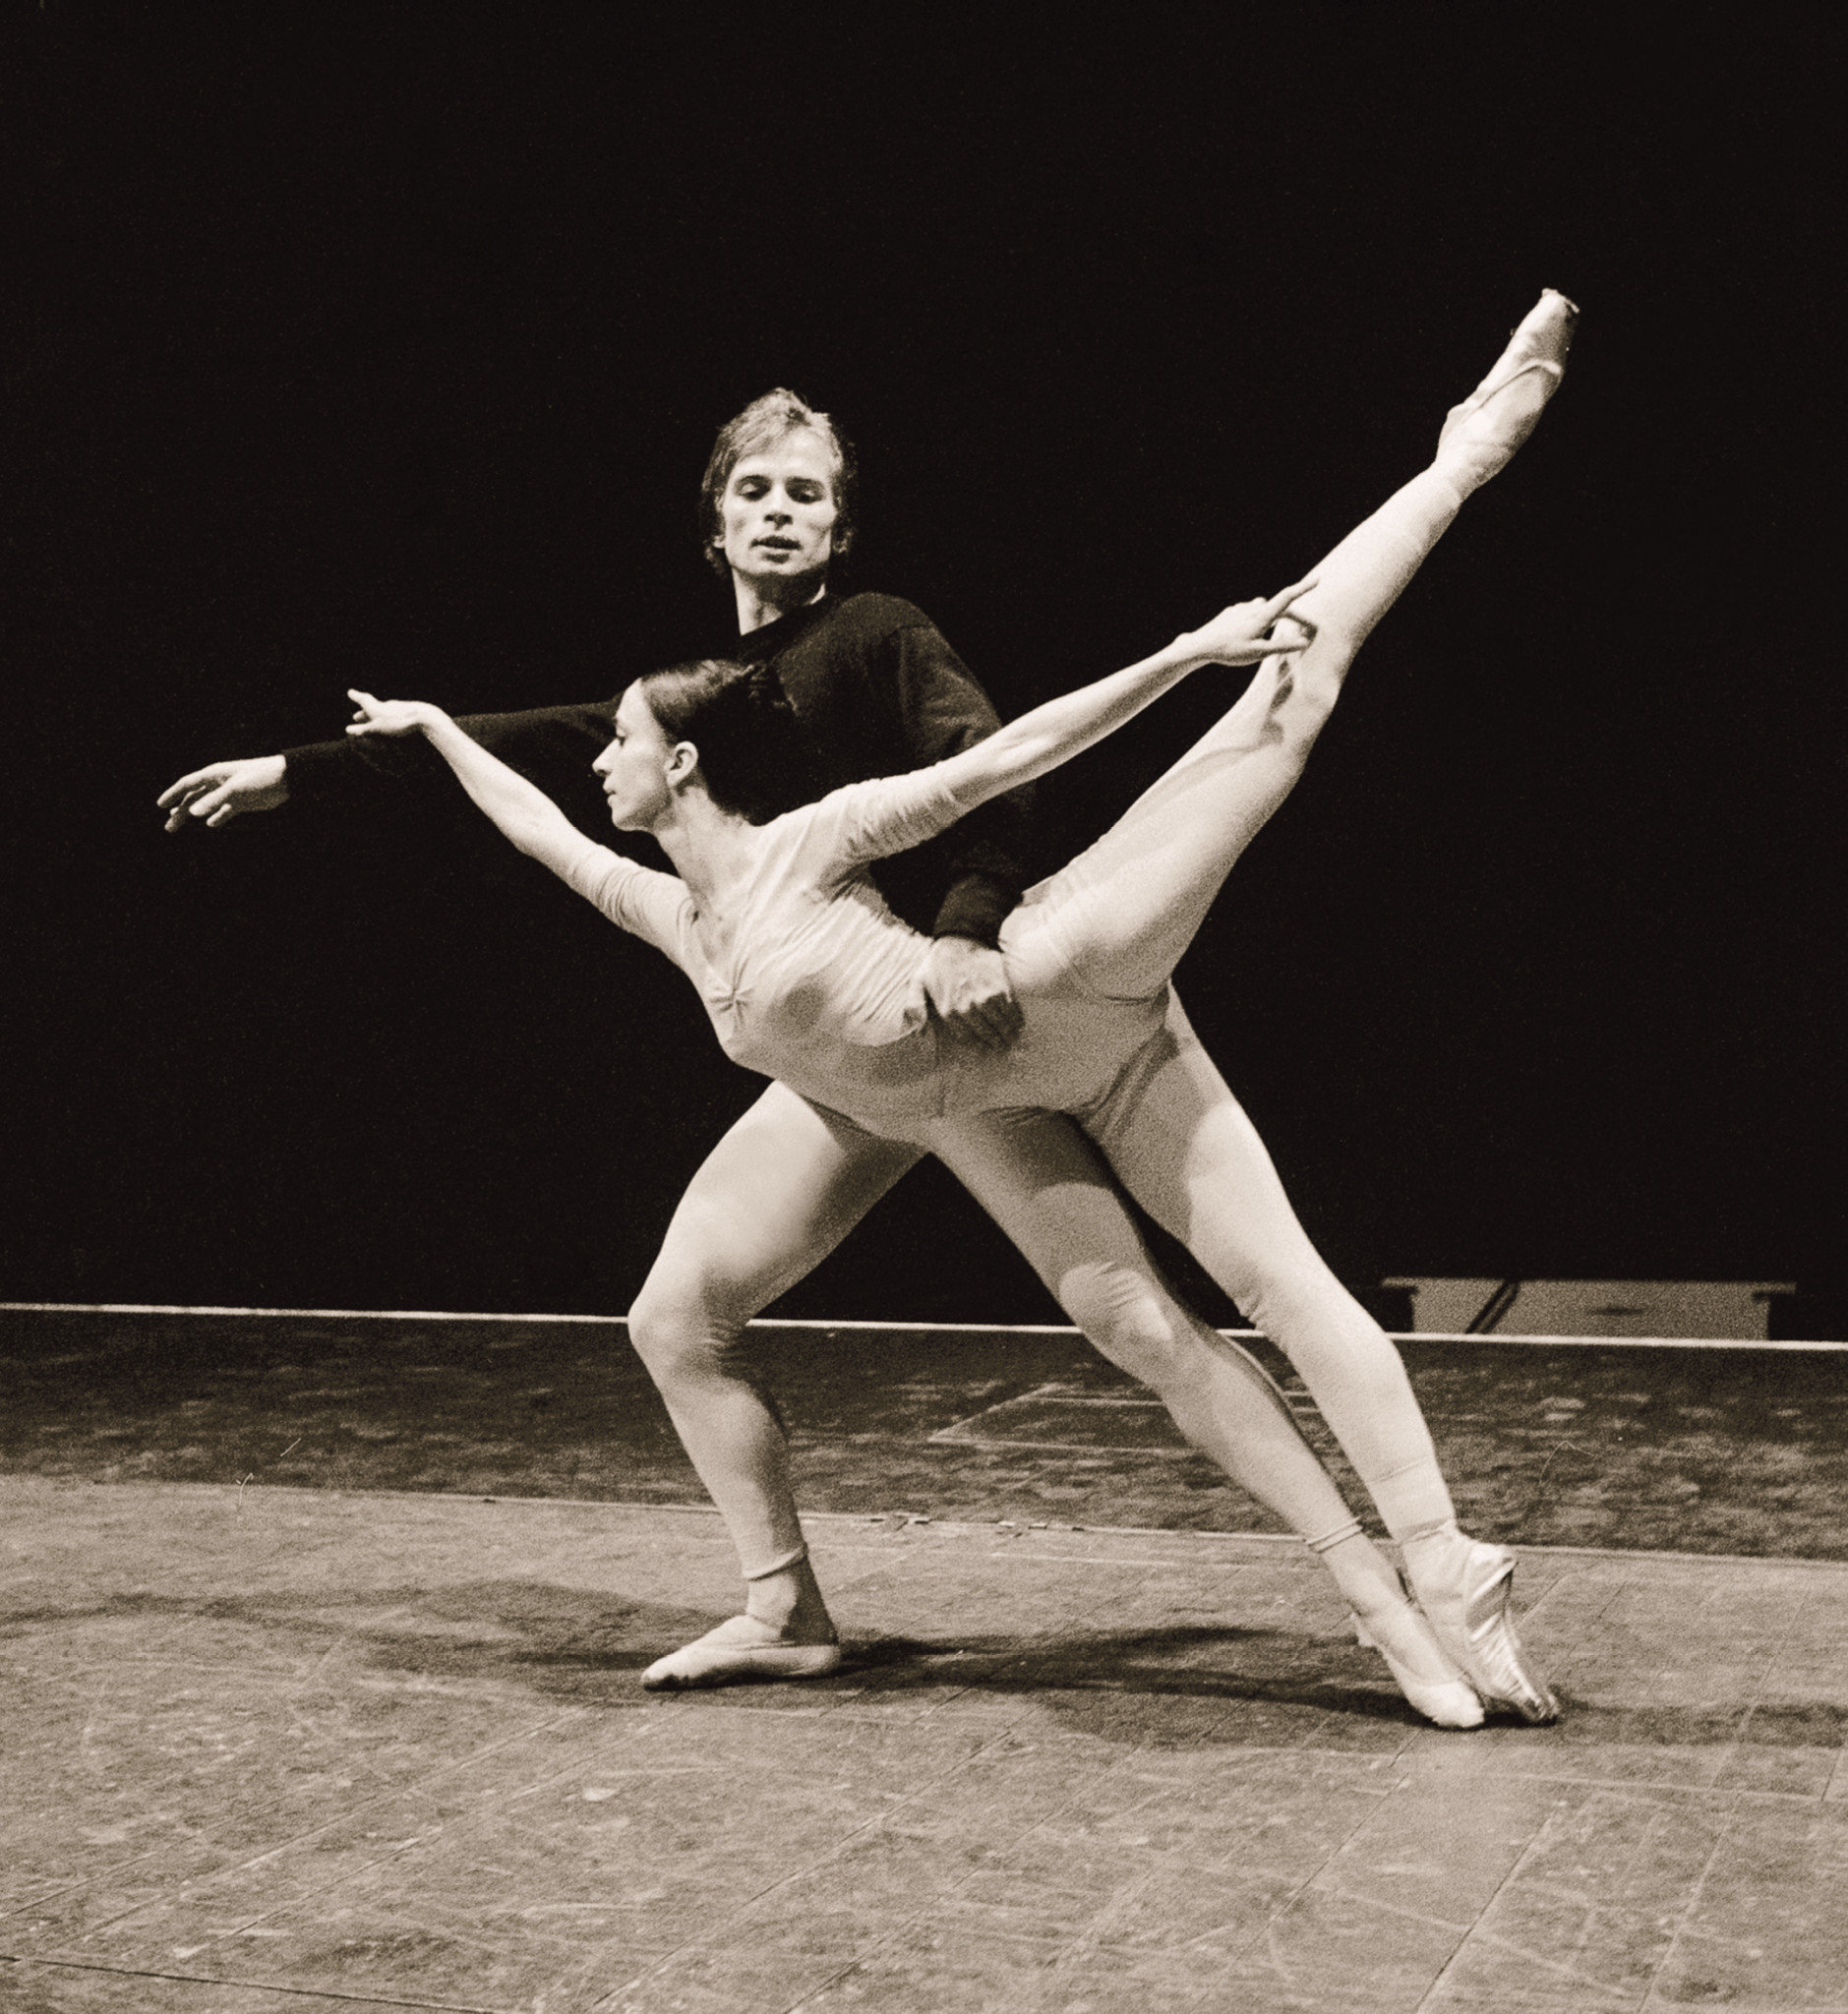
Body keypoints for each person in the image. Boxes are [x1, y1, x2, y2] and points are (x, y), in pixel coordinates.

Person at [340, 291, 1579, 1722]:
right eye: (755, 491)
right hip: (980, 1096)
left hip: (1058, 971)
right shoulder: (674, 912)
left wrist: (1180, 658)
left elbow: (1001, 762)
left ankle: (1460, 457)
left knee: (1284, 701)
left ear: (677, 764)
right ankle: (1376, 1600)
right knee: (1136, 1329)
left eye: (614, 737)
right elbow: (530, 819)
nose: (594, 757)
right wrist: (420, 733)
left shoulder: (820, 815)